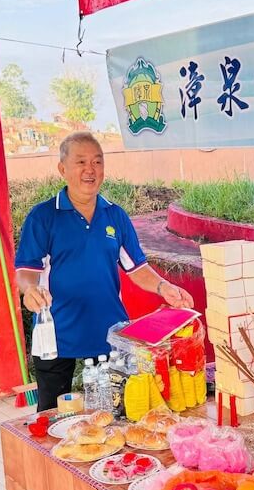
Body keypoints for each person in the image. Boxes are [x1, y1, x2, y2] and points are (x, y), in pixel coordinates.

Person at [15, 131, 194, 411]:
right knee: (53, 415)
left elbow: (137, 268)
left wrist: (164, 287)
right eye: (81, 162)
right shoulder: (43, 217)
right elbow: (26, 270)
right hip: (56, 333)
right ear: (62, 169)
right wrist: (29, 289)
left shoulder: (115, 215)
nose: (90, 170)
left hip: (108, 331)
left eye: (97, 162)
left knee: (116, 413)